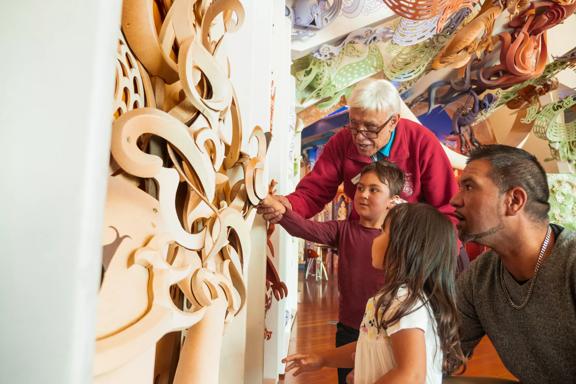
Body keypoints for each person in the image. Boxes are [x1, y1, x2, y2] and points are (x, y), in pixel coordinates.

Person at [283, 203, 466, 384]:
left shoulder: (404, 301)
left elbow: (410, 376)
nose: (374, 239)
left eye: (382, 232)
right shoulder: (395, 298)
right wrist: (322, 359)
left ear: (404, 246)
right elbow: (369, 345)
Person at [263, 160, 404, 383]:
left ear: (393, 200)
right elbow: (306, 229)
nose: (364, 195)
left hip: (387, 331)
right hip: (349, 328)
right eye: (360, 188)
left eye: (374, 189)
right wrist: (281, 212)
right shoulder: (343, 229)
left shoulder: (401, 239)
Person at [451, 145, 576, 384]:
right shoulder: (480, 277)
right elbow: (441, 352)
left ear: (514, 200)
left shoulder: (570, 264)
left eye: (468, 186)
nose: (454, 200)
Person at [257, 78, 458, 225]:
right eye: (354, 124)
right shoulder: (343, 141)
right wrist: (287, 205)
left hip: (412, 246)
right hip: (361, 239)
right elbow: (314, 192)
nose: (359, 137)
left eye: (371, 128)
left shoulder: (422, 144)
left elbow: (448, 211)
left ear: (393, 122)